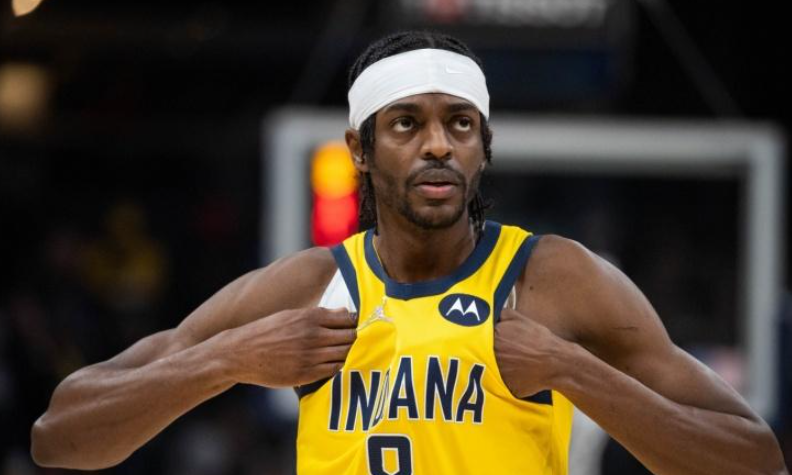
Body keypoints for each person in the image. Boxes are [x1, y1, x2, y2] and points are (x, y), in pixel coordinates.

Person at [31, 31, 788, 475]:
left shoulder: (552, 278)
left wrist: (571, 370)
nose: (438, 145)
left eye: (460, 124)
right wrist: (229, 358)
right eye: (407, 124)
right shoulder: (309, 284)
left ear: (483, 147)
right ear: (359, 148)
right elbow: (59, 436)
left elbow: (756, 458)